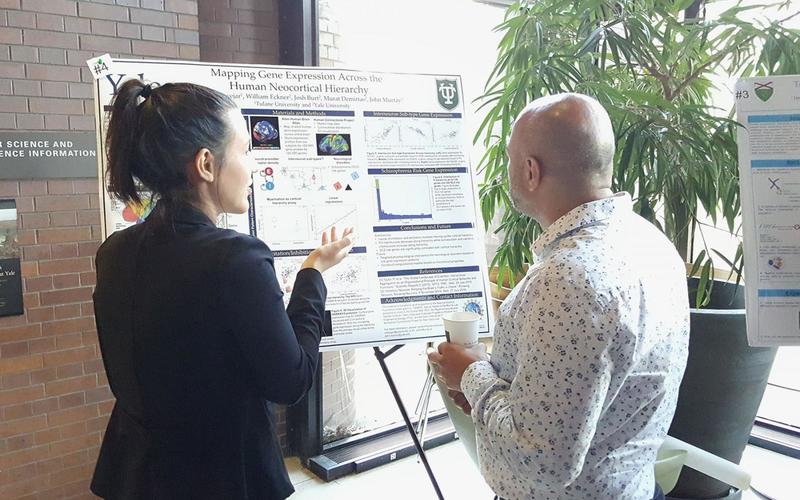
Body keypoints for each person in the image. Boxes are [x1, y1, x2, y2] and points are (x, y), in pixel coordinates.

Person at [90, 79, 354, 500]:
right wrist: (313, 274)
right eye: (245, 152)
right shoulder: (237, 259)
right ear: (206, 165)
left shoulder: (113, 252)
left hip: (136, 475)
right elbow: (291, 381)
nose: (253, 167)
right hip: (222, 477)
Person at [429, 93, 689, 500]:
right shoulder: (652, 244)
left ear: (530, 171)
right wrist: (492, 396)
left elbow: (545, 463)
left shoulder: (568, 281)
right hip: (630, 487)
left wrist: (472, 373)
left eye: (511, 159)